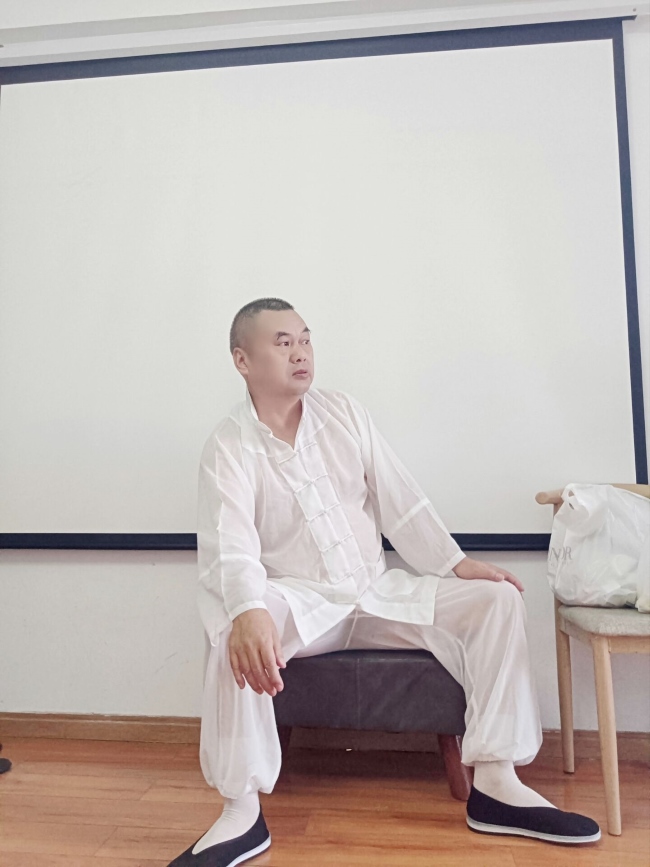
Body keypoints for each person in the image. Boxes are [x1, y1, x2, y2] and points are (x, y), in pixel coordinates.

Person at [168, 298, 600, 867]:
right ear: (242, 360)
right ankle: (240, 813)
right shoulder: (228, 445)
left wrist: (453, 562)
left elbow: (400, 498)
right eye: (283, 342)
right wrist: (248, 608)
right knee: (236, 625)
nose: (300, 352)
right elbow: (230, 544)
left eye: (305, 339)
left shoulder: (344, 412)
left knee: (495, 599)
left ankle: (497, 784)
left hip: (375, 593)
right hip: (301, 601)